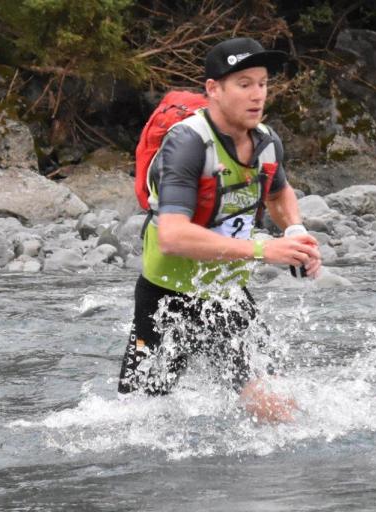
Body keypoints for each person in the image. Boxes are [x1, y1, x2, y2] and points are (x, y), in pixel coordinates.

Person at [118, 37, 322, 422]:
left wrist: (294, 230)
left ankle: (276, 480)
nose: (257, 94)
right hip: (167, 297)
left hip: (227, 293)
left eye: (262, 83)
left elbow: (278, 193)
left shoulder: (266, 140)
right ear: (213, 89)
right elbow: (173, 236)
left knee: (279, 405)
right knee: (139, 420)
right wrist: (265, 250)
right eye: (244, 84)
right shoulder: (188, 143)